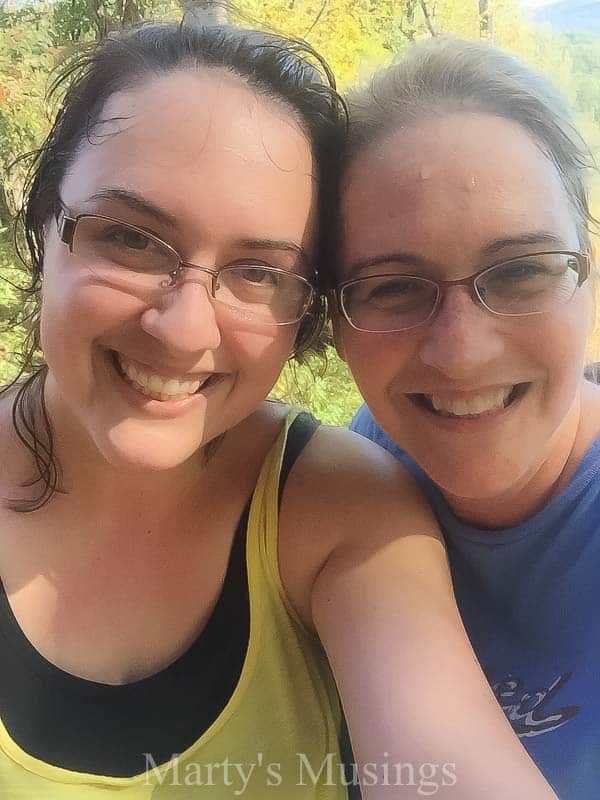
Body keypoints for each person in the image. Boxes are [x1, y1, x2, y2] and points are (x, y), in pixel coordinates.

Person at [0, 19, 557, 800]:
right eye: (131, 238)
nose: (186, 328)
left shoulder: (342, 510)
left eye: (259, 272)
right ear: (43, 226)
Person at [333, 36, 600, 800]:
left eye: (520, 271)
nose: (459, 354)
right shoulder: (356, 475)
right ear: (336, 324)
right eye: (393, 287)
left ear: (588, 278)